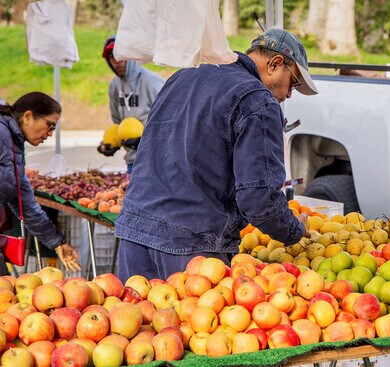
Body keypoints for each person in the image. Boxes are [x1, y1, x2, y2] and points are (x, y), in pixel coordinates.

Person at [114, 28, 318, 281]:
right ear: (275, 64)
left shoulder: (185, 75)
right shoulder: (258, 100)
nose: (288, 94)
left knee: (136, 316)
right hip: (191, 245)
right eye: (294, 83)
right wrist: (294, 230)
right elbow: (259, 199)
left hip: (134, 232)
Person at [0, 92, 81, 274]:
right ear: (28, 116)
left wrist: (58, 243)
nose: (50, 134)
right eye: (49, 125)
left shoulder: (14, 147)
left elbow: (27, 206)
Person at [96, 35, 165, 173]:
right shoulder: (114, 86)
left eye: (121, 56)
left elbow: (170, 121)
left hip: (156, 159)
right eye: (112, 57)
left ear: (131, 56)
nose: (117, 62)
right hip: (132, 161)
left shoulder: (152, 82)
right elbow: (118, 122)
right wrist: (111, 144)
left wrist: (144, 139)